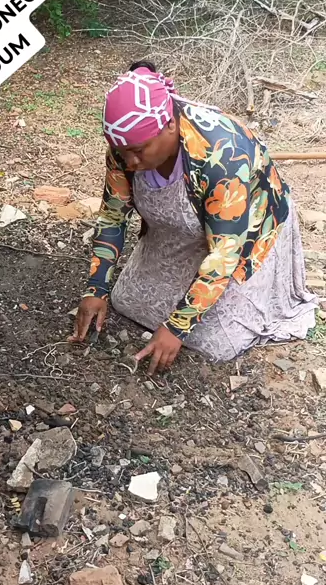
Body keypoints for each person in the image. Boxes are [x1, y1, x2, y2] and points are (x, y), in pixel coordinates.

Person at [70, 61, 317, 375]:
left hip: (244, 236)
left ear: (170, 126)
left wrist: (176, 328)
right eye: (122, 151)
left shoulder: (223, 154)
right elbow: (112, 217)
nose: (130, 161)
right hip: (178, 229)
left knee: (218, 342)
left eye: (140, 150)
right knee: (126, 301)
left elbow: (225, 253)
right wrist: (96, 288)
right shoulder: (124, 150)